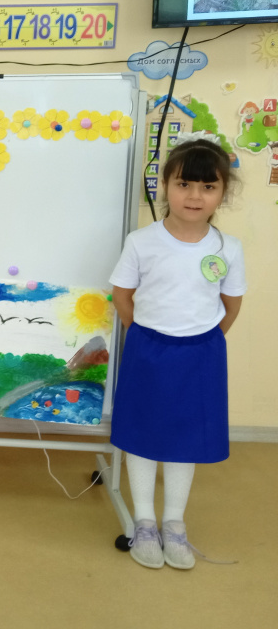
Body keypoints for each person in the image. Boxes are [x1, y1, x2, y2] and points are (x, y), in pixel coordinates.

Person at [109, 134, 246, 570]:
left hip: (201, 354)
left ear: (223, 192)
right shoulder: (141, 241)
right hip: (148, 349)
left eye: (208, 186)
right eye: (184, 184)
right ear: (165, 184)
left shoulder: (228, 248)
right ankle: (144, 522)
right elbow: (122, 295)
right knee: (142, 432)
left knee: (187, 436)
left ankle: (173, 524)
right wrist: (144, 335)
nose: (194, 195)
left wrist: (202, 340)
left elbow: (231, 305)